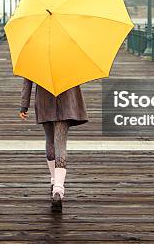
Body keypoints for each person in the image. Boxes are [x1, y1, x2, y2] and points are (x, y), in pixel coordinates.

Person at [19, 78, 88, 211]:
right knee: (60, 143)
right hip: (67, 99)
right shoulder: (71, 55)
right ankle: (58, 188)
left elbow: (28, 80)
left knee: (50, 140)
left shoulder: (35, 56)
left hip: (45, 100)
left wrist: (24, 105)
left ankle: (53, 180)